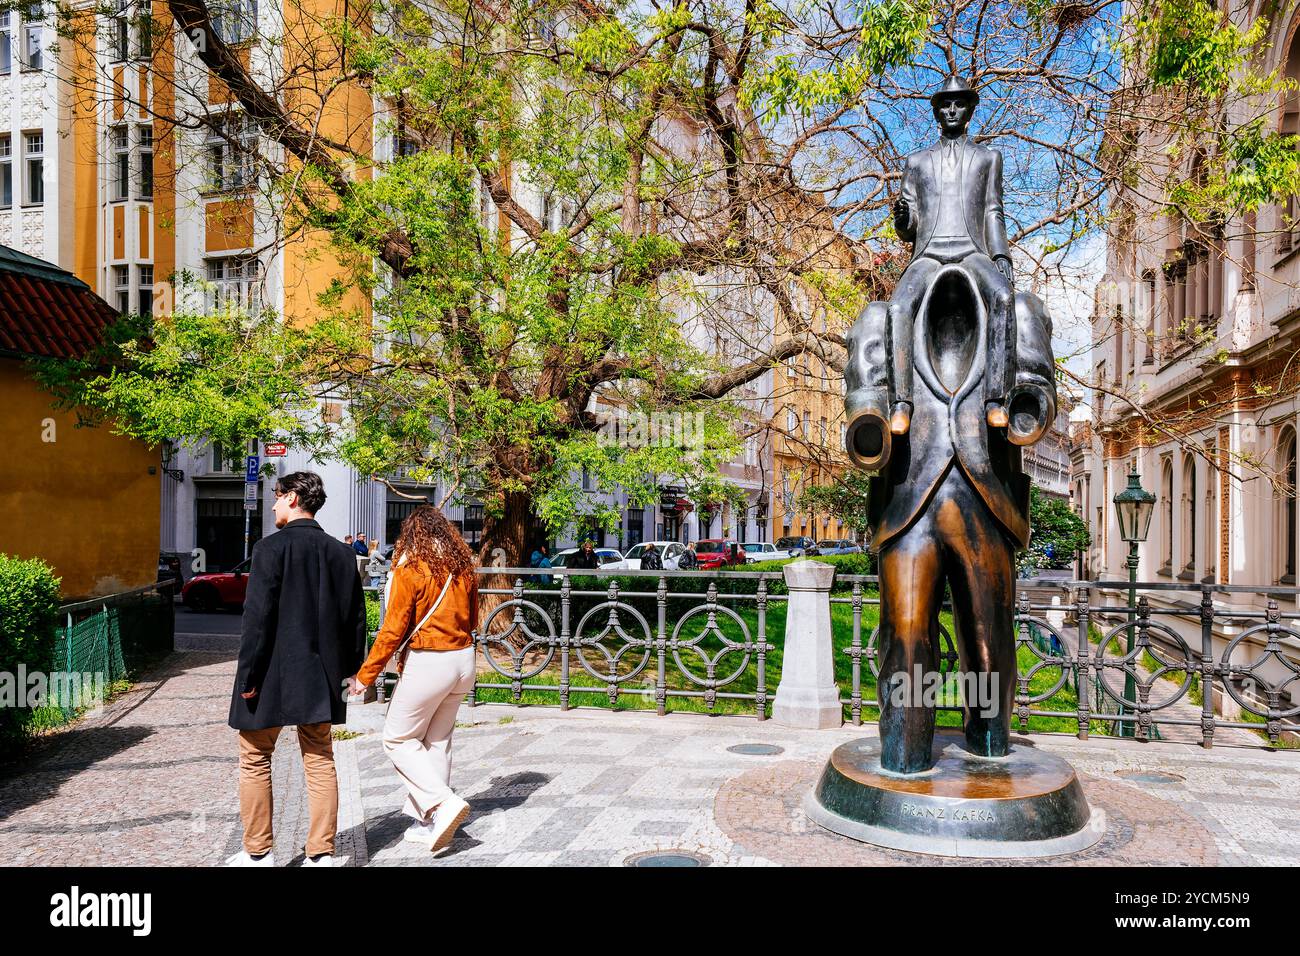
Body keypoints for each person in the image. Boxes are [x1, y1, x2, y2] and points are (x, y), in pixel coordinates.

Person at [227, 471, 366, 867]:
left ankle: (257, 854)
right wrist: (351, 674)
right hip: (321, 677)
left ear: (291, 498)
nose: (272, 504)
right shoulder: (342, 554)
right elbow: (355, 621)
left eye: (276, 496)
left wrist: (248, 678)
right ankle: (321, 854)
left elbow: (257, 622)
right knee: (320, 757)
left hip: (270, 675)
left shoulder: (269, 550)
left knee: (254, 757)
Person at [887, 75, 1015, 436]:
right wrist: (902, 219)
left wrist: (1001, 255)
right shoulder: (916, 162)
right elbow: (908, 227)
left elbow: (993, 210)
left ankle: (995, 399)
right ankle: (901, 404)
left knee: (1003, 297)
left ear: (970, 109)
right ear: (936, 112)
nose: (952, 110)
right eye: (945, 105)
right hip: (928, 255)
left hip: (972, 252)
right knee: (898, 308)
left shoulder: (988, 158)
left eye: (959, 104)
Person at [348, 506, 479, 854]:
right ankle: (428, 822)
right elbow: (475, 619)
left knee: (397, 738)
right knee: (438, 741)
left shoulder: (411, 569)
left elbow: (393, 630)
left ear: (411, 535)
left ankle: (442, 803)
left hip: (430, 660)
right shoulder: (464, 567)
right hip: (464, 660)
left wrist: (366, 675)